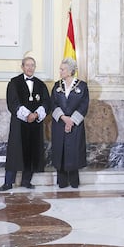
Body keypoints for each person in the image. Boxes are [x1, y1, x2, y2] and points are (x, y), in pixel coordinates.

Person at [0, 56, 50, 191]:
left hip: (35, 125)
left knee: (32, 152)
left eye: (32, 65)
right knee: (14, 153)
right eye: (27, 65)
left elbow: (46, 102)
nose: (30, 68)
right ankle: (8, 182)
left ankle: (26, 181)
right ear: (22, 67)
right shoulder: (14, 83)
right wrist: (27, 115)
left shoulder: (40, 84)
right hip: (19, 124)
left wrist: (36, 114)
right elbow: (13, 102)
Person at [51, 58, 89, 188]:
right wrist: (63, 118)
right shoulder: (57, 86)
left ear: (70, 71)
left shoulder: (82, 86)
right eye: (60, 69)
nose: (60, 71)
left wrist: (71, 121)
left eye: (62, 69)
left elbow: (84, 106)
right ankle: (61, 181)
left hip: (75, 125)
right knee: (60, 150)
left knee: (74, 151)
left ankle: (74, 181)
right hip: (59, 124)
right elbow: (53, 104)